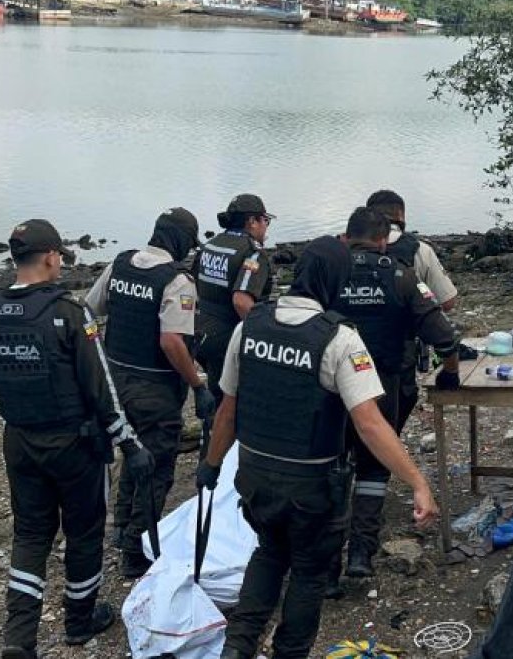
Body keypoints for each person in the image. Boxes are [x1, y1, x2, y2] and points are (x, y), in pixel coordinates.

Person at [195, 236, 440, 659]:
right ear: (335, 283)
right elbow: (369, 424)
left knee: (269, 553)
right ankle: (289, 652)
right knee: (308, 572)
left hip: (255, 477)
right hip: (311, 487)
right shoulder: (340, 339)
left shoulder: (249, 326)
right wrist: (417, 481)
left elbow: (228, 412)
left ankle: (237, 648)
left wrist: (211, 465)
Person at [0, 219, 136, 659]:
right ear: (52, 257)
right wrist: (127, 440)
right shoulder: (70, 314)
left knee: (32, 535)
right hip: (74, 446)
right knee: (84, 531)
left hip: (20, 442)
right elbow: (100, 386)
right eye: (60, 256)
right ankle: (80, 620)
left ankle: (19, 638)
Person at [84, 207, 215, 579]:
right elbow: (172, 341)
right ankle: (137, 549)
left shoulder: (120, 265)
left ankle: (121, 526)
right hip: (154, 389)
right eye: (188, 245)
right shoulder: (176, 282)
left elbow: (89, 311)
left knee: (131, 452)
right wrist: (197, 385)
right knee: (155, 466)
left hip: (113, 383)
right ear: (178, 242)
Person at [332, 207, 461, 584]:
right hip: (382, 382)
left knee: (333, 465)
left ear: (346, 237)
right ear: (384, 240)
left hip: (331, 385)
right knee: (374, 468)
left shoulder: (328, 275)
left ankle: (324, 565)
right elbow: (444, 336)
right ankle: (360, 553)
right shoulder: (401, 277)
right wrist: (450, 374)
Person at [365, 190, 459, 434]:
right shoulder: (419, 249)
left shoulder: (347, 249)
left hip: (352, 351)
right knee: (392, 418)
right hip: (400, 352)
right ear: (402, 216)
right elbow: (448, 302)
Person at [192, 193, 276, 403]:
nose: (266, 226)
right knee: (234, 402)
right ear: (252, 221)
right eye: (265, 220)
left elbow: (191, 284)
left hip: (199, 333)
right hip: (229, 338)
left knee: (215, 396)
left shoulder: (209, 246)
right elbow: (241, 301)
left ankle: (211, 431)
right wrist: (265, 338)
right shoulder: (253, 253)